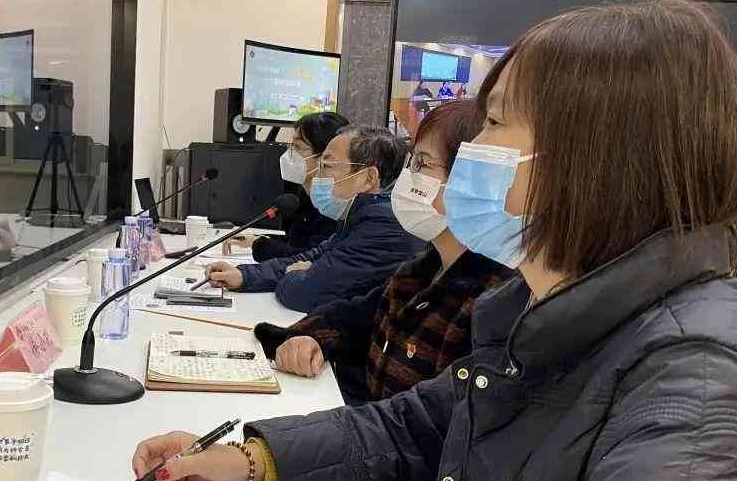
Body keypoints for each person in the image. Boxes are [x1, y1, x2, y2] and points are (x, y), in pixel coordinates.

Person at [101, 0, 737, 481]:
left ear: (594, 157)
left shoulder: (700, 384)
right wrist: (250, 458)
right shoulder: (551, 311)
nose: (472, 152)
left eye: (495, 123)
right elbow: (412, 427)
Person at [254, 99, 512, 407]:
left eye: (423, 164)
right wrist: (311, 338)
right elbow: (353, 315)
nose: (408, 177)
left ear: (472, 181)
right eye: (410, 163)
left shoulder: (490, 300)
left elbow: (419, 419)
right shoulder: (420, 269)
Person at [204, 125, 425, 312]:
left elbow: (304, 293)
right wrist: (244, 275)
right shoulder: (361, 213)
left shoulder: (384, 226)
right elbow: (312, 256)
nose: (318, 175)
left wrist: (305, 273)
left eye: (327, 166)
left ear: (368, 178)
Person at [224, 111, 349, 262]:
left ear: (326, 156)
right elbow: (296, 242)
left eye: (298, 147)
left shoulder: (333, 204)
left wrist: (259, 244)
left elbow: (310, 258)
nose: (290, 154)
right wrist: (257, 239)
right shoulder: (304, 194)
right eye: (291, 146)